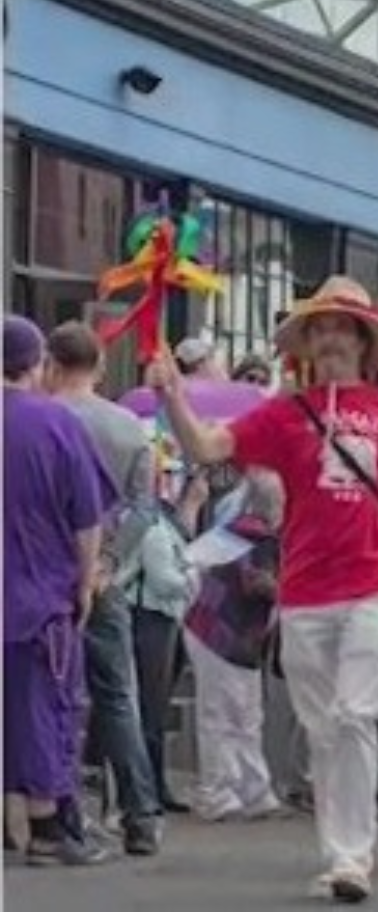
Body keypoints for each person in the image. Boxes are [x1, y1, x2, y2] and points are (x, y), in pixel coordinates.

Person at [148, 276, 378, 904]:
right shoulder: (284, 414)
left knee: (354, 713)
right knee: (321, 727)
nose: (332, 336)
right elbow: (207, 447)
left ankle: (352, 858)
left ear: (366, 342)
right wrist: (174, 396)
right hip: (307, 588)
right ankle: (336, 852)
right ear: (306, 344)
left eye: (344, 327)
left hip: (375, 580)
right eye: (321, 327)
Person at [41, 322, 176, 850]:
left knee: (52, 696)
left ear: (51, 364)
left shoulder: (39, 421)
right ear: (98, 367)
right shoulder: (128, 428)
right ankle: (141, 814)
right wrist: (110, 562)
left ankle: (61, 809)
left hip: (46, 573)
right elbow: (145, 508)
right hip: (106, 579)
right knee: (119, 697)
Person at [3, 316, 114, 866]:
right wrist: (86, 579)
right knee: (44, 708)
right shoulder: (57, 423)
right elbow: (87, 517)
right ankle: (47, 828)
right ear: (37, 364)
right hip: (36, 596)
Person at [181, 471, 285, 820]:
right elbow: (257, 582)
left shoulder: (236, 530)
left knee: (239, 713)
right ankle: (220, 791)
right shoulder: (262, 538)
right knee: (227, 714)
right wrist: (295, 593)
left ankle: (248, 788)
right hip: (225, 634)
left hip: (217, 629)